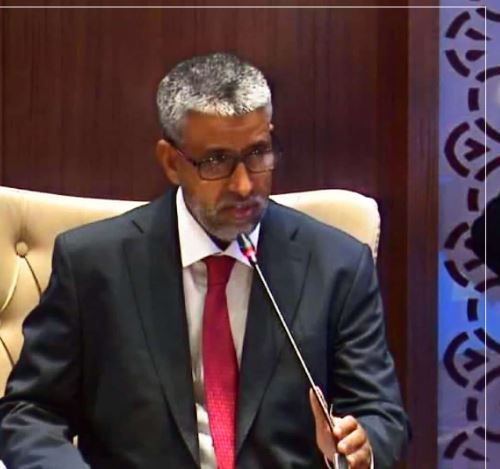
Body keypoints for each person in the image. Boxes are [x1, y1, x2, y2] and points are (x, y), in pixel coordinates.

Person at [0, 53, 408, 469]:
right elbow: (29, 414)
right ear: (171, 161)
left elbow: (381, 414)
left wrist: (362, 446)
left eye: (258, 153)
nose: (244, 184)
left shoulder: (337, 265)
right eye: (216, 161)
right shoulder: (94, 266)